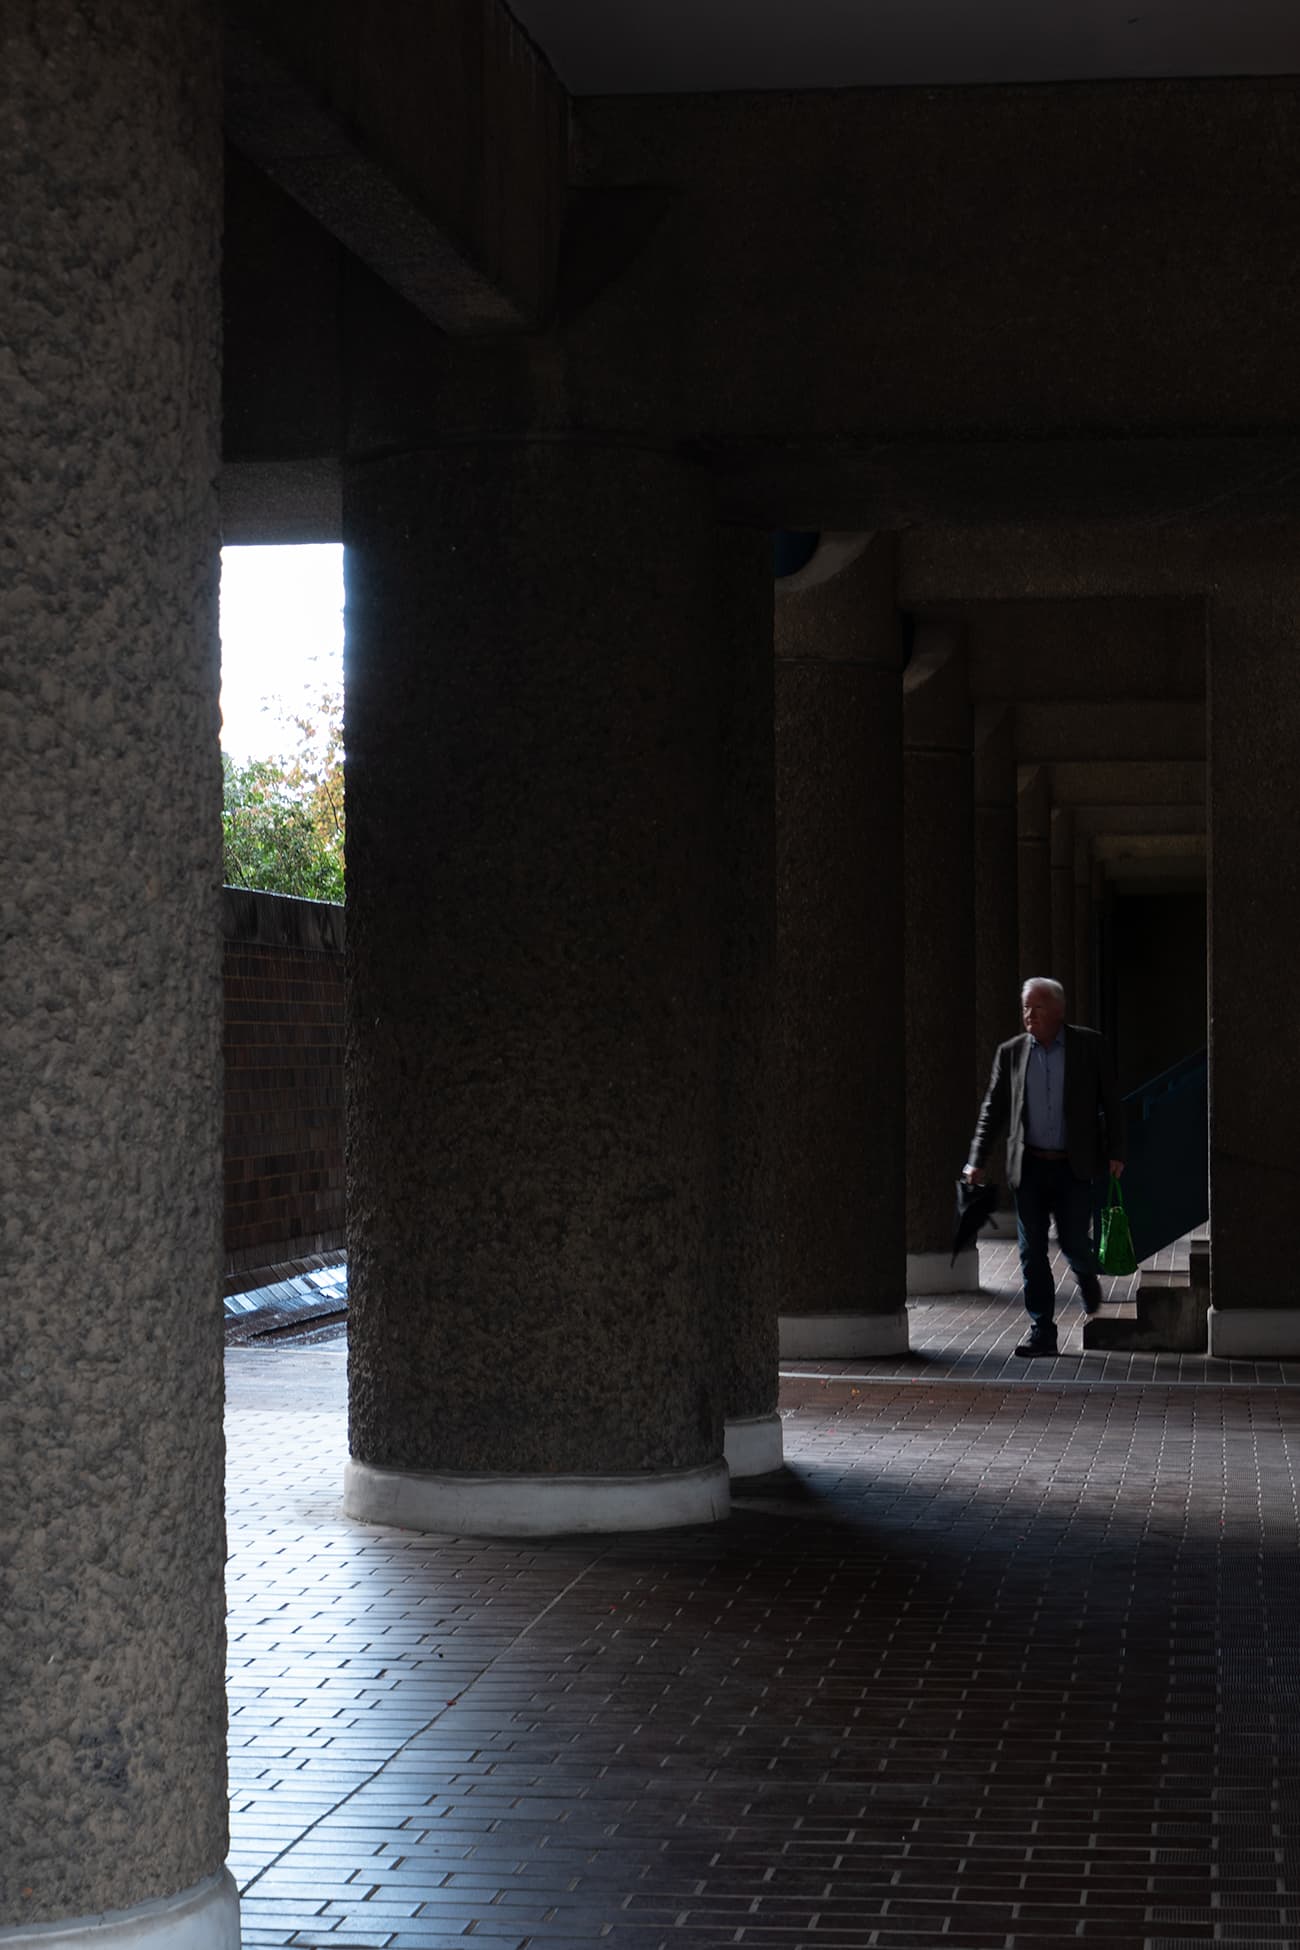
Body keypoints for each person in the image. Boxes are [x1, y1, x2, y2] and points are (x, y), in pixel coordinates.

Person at [964, 978, 1125, 1358]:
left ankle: (1085, 1275)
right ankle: (1042, 1330)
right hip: (1031, 1167)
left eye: (1036, 1007)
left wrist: (1117, 1150)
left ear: (1057, 1011)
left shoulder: (1090, 1046)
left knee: (1072, 1242)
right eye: (1025, 1007)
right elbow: (993, 1109)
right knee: (1030, 1251)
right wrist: (977, 1158)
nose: (1028, 1015)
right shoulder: (1012, 1053)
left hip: (1073, 1166)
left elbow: (1112, 1102)